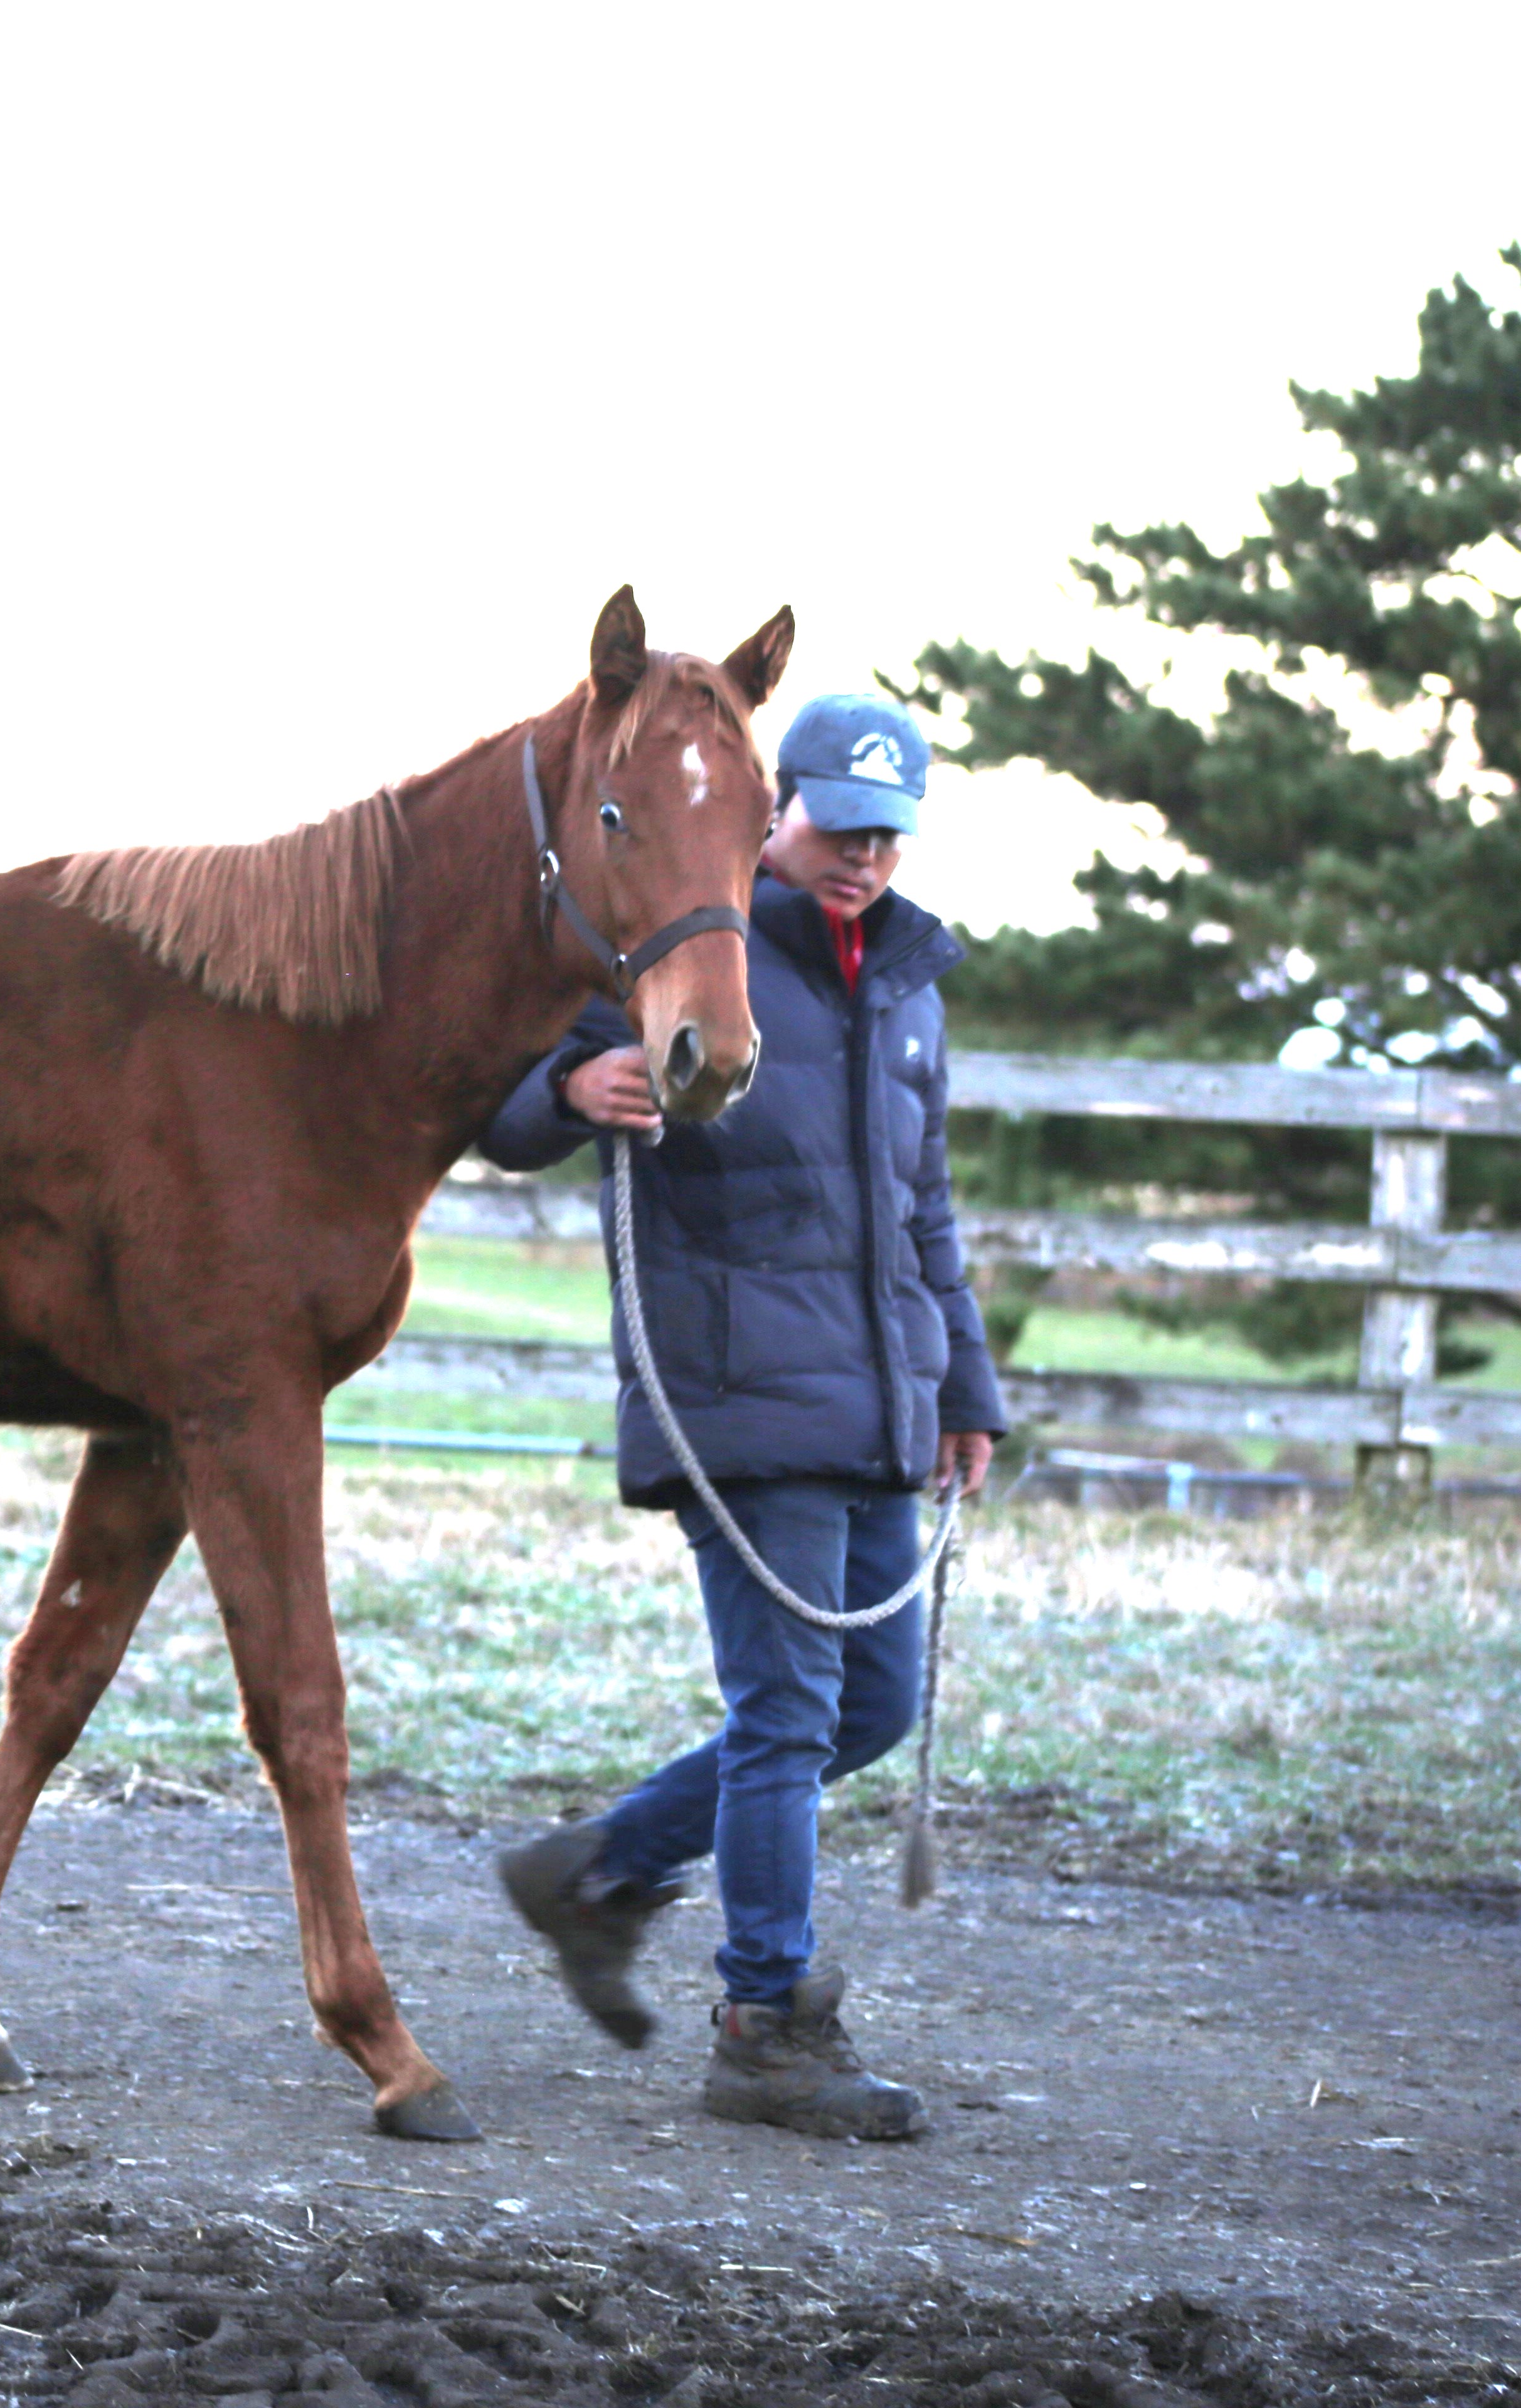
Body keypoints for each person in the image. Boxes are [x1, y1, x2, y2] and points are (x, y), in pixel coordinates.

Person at [478, 690, 1004, 2141]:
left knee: (872, 1705)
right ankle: (764, 2023)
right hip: (734, 1394)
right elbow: (506, 1109)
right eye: (839, 825)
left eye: (887, 835)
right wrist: (573, 1088)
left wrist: (966, 1388)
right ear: (780, 813)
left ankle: (599, 1874)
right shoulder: (686, 938)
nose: (863, 859)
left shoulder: (906, 986)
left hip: (878, 1396)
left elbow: (925, 1209)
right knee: (786, 1712)